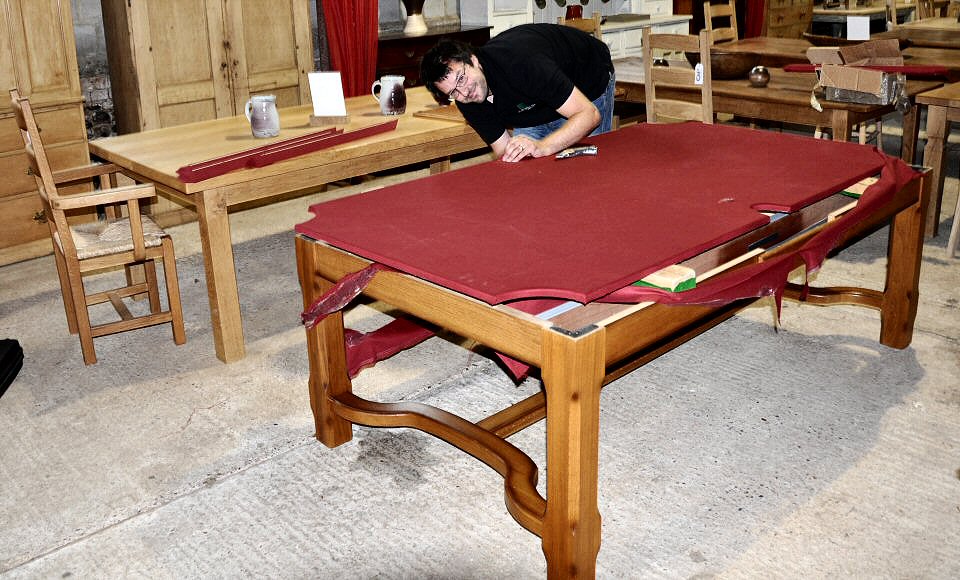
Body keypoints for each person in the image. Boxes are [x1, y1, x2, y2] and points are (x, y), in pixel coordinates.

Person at [420, 23, 615, 163]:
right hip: (532, 103)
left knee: (585, 169)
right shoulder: (465, 98)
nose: (464, 91)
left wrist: (542, 146)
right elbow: (504, 151)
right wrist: (530, 149)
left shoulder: (520, 63)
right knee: (522, 164)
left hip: (586, 80)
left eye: (461, 78)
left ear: (474, 60)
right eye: (453, 91)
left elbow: (589, 115)